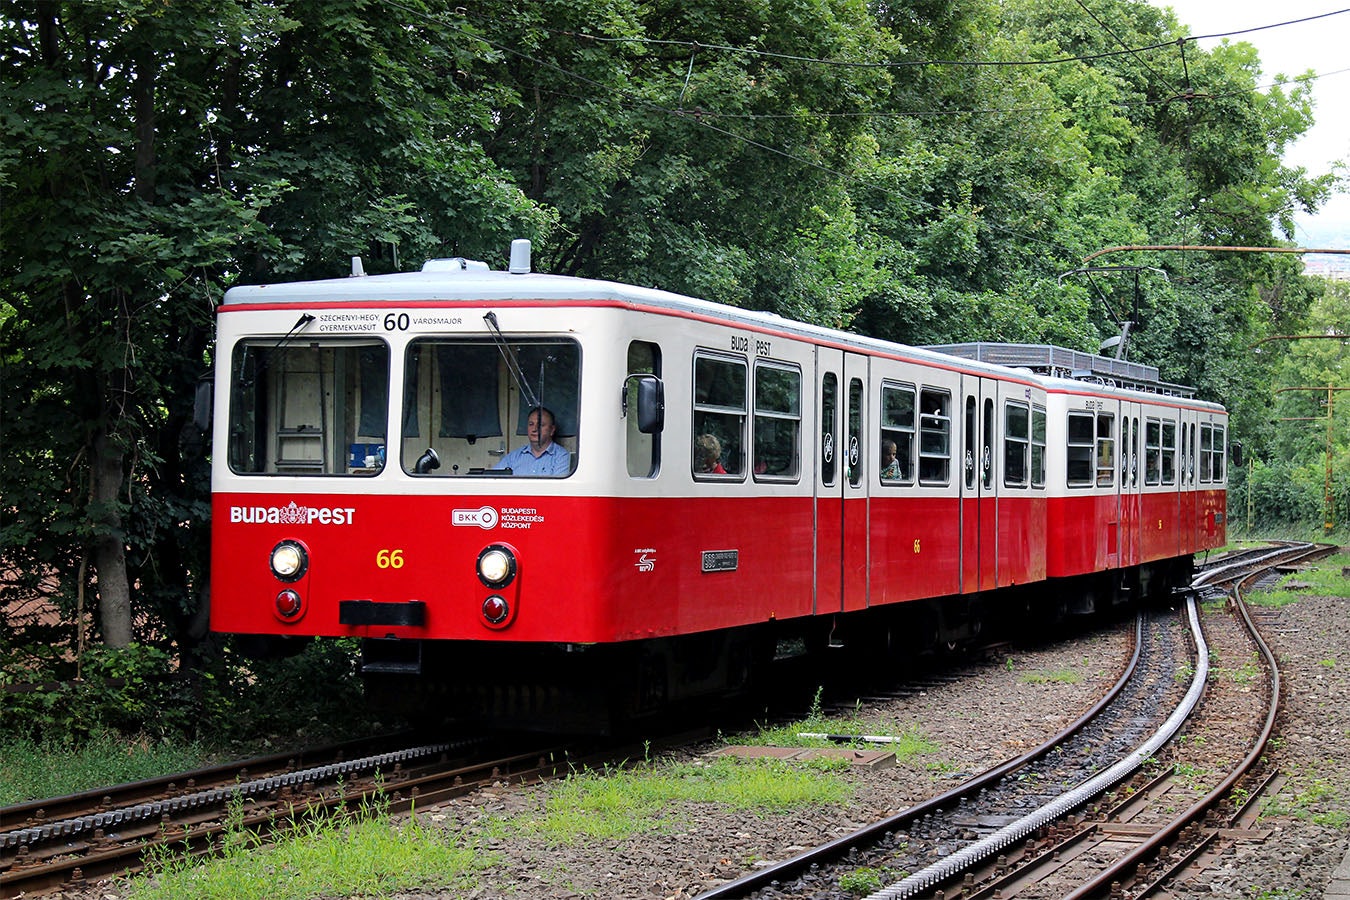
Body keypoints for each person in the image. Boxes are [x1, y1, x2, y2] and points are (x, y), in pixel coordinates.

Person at [494, 406, 571, 476]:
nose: (534, 429)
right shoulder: (514, 457)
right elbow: (493, 479)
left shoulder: (562, 457)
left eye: (540, 425)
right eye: (531, 424)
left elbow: (558, 489)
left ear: (552, 430)